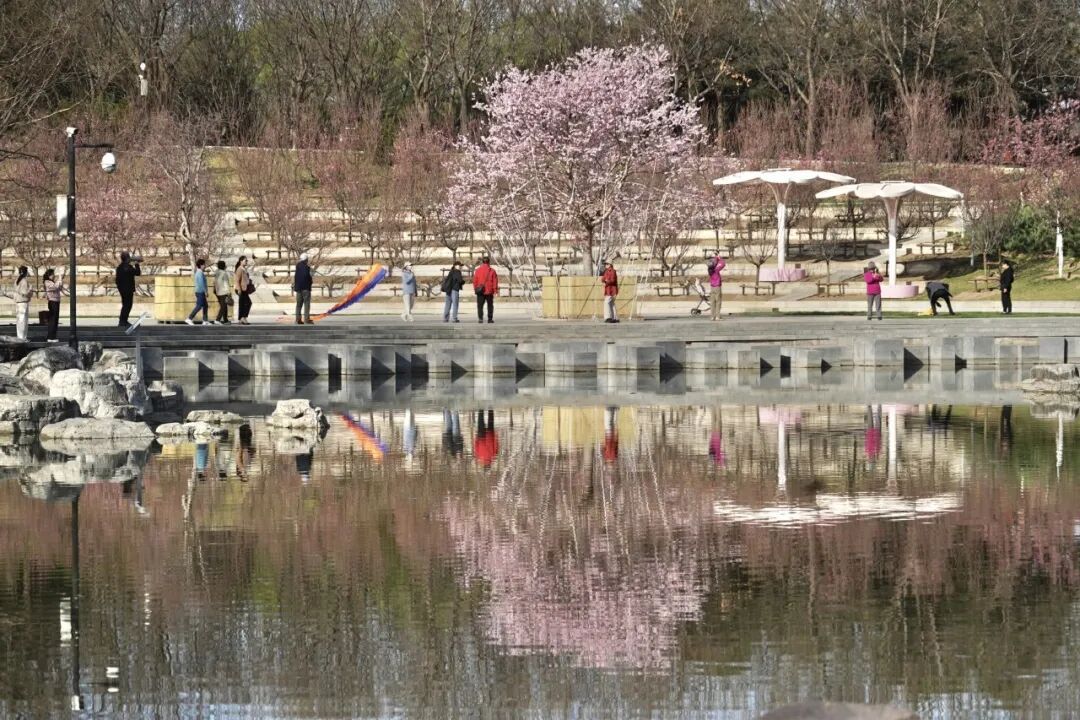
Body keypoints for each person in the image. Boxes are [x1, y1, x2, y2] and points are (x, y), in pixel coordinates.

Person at [115, 251, 141, 328]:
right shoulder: (128, 267)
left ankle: (123, 320)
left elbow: (117, 280)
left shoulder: (119, 267)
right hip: (128, 289)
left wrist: (119, 287)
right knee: (128, 305)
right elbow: (138, 273)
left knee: (125, 305)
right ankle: (123, 321)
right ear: (127, 258)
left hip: (122, 289)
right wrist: (136, 264)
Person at [473, 256, 498, 324]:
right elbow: (495, 281)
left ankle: (480, 318)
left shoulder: (478, 270)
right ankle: (490, 319)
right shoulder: (492, 271)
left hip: (480, 291)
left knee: (480, 306)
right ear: (489, 262)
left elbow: (475, 281)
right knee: (490, 305)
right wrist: (495, 290)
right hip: (489, 291)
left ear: (482, 262)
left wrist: (475, 289)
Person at [184, 259, 209, 325]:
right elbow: (201, 283)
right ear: (201, 265)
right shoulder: (199, 273)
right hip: (200, 291)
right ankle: (189, 318)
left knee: (205, 306)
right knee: (199, 306)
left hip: (200, 291)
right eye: (204, 264)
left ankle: (205, 320)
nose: (205, 266)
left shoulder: (199, 272)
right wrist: (205, 291)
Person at [43, 269, 63, 342]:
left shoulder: (52, 282)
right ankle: (50, 337)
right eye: (52, 274)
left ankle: (53, 336)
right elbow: (55, 287)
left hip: (56, 301)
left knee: (55, 320)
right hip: (52, 302)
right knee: (53, 320)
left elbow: (59, 287)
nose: (54, 276)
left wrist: (60, 280)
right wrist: (59, 279)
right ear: (49, 275)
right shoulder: (47, 282)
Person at [293, 252, 313, 325]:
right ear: (306, 260)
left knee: (298, 304)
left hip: (298, 289)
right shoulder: (307, 268)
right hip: (306, 289)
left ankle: (298, 319)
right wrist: (311, 282)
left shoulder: (297, 266)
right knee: (306, 304)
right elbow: (309, 278)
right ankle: (306, 320)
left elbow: (296, 277)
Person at [13, 266, 31, 341]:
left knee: (19, 321)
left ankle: (20, 337)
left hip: (18, 302)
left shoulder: (16, 280)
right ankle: (23, 338)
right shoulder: (24, 281)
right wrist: (30, 289)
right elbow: (25, 292)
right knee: (23, 321)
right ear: (26, 272)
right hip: (23, 302)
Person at [707, 254, 726, 321]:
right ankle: (717, 316)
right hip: (717, 287)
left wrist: (716, 258)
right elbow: (723, 264)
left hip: (712, 287)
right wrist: (719, 258)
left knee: (712, 302)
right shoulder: (716, 270)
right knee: (718, 302)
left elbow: (713, 263)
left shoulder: (710, 270)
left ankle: (712, 316)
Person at [234, 256, 252, 325]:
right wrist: (239, 289)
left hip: (244, 289)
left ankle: (242, 318)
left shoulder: (244, 269)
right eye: (245, 260)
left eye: (247, 260)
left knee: (244, 304)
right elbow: (237, 280)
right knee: (247, 303)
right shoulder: (239, 269)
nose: (246, 262)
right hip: (241, 289)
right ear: (241, 261)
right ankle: (243, 318)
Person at [213, 260, 231, 324]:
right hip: (223, 292)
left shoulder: (216, 273)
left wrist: (215, 290)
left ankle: (225, 320)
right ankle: (217, 320)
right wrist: (228, 292)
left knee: (224, 306)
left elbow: (214, 282)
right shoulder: (224, 273)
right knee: (223, 307)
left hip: (217, 291)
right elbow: (226, 283)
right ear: (224, 266)